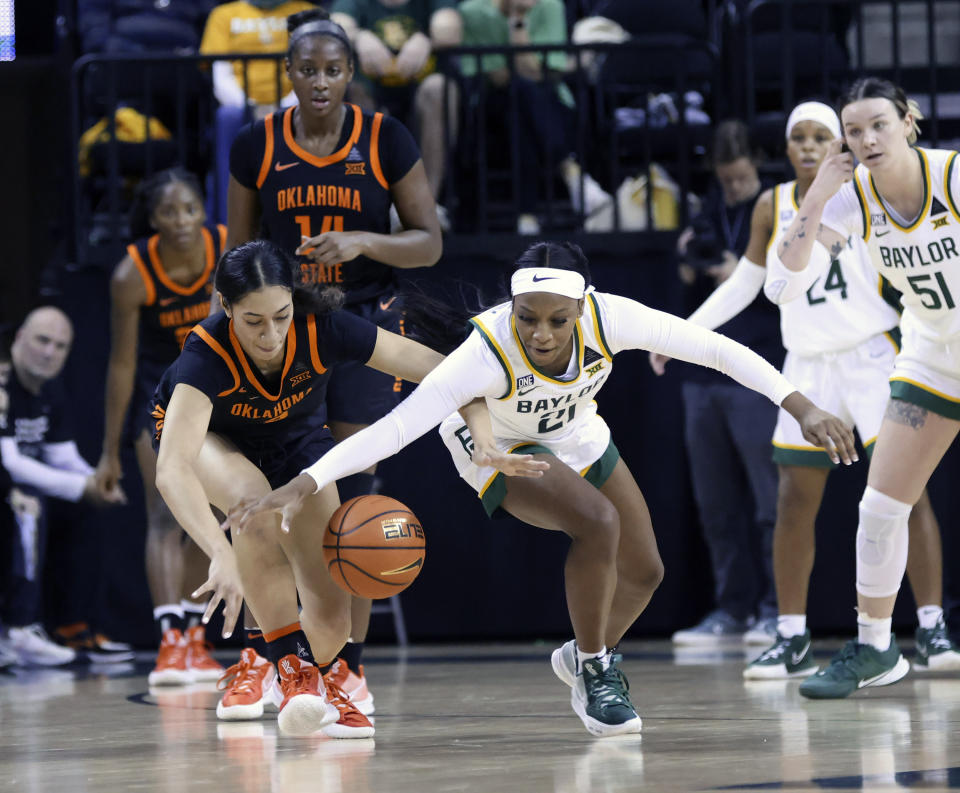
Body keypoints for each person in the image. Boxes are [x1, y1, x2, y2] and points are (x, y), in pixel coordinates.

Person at [223, 240, 857, 737]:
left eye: (558, 320)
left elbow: (718, 350)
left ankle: (583, 654)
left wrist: (799, 405)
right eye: (530, 318)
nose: (544, 333)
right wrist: (306, 482)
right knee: (598, 523)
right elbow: (394, 429)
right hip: (497, 445)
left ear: (583, 308)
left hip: (576, 430)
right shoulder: (484, 349)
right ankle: (597, 670)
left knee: (646, 571)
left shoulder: (614, 318)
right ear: (512, 310)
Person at [653, 101, 960, 680]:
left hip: (873, 356)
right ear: (787, 148)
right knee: (793, 499)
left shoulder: (868, 190)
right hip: (808, 366)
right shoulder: (774, 205)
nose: (812, 146)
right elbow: (749, 284)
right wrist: (684, 333)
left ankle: (931, 625)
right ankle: (791, 635)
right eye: (800, 137)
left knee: (906, 495)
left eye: (823, 135)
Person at [152, 238, 494, 737]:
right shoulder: (205, 355)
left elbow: (440, 373)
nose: (270, 334)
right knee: (252, 503)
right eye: (253, 321)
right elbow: (171, 469)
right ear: (225, 308)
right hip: (211, 438)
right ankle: (288, 670)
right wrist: (217, 552)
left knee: (333, 612)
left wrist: (480, 424)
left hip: (294, 439)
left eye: (280, 315)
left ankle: (306, 672)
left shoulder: (324, 327)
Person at [225, 7, 442, 720]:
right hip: (282, 335)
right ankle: (278, 656)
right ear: (288, 74)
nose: (320, 81)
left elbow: (427, 242)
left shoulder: (385, 136)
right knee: (281, 498)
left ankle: (346, 670)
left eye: (333, 69)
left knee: (348, 512)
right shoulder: (256, 144)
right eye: (307, 69)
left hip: (362, 326)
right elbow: (236, 257)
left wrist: (360, 241)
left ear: (351, 74)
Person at [765, 77, 960, 699]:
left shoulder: (952, 176)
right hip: (932, 357)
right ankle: (877, 646)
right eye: (854, 130)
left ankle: (926, 627)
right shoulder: (853, 201)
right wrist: (818, 195)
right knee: (880, 506)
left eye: (879, 123)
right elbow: (783, 285)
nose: (867, 138)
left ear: (909, 121)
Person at [93, 168, 229, 686]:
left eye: (189, 209)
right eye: (168, 212)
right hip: (160, 399)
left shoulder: (225, 248)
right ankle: (170, 642)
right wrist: (110, 450)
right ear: (152, 219)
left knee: (210, 519)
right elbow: (122, 365)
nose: (180, 221)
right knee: (166, 518)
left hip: (215, 401)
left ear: (204, 211)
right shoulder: (133, 273)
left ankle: (195, 638)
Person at [659, 120, 784, 646]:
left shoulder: (778, 209)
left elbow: (787, 288)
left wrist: (742, 272)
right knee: (715, 503)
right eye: (725, 179)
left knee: (768, 501)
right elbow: (685, 288)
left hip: (755, 368)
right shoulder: (707, 210)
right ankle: (731, 609)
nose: (733, 187)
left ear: (756, 164)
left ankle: (778, 611)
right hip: (700, 373)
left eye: (739, 178)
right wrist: (688, 267)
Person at [0, 308, 129, 666]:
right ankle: (17, 628)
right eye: (42, 340)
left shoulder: (49, 388)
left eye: (60, 346)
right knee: (28, 505)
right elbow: (9, 461)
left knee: (85, 508)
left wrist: (97, 482)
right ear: (20, 337)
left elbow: (62, 456)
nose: (49, 352)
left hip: (18, 488)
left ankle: (72, 626)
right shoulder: (3, 380)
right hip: (9, 490)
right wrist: (80, 486)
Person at [457, 0, 612, 234]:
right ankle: (571, 172)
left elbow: (545, 73)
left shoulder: (550, 6)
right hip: (493, 106)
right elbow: (503, 77)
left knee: (523, 101)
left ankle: (526, 216)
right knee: (521, 93)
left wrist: (518, 23)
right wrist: (517, 21)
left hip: (550, 102)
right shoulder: (472, 11)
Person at [330, 0, 463, 226]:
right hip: (370, 91)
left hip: (420, 90)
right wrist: (360, 36)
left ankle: (426, 205)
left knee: (439, 88)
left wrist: (426, 39)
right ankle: (374, 206)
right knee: (351, 90)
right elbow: (336, 26)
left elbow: (450, 30)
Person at [199, 0, 319, 223]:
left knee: (311, 115)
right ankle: (229, 224)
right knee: (227, 117)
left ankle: (300, 221)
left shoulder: (306, 12)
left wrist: (288, 103)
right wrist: (250, 106)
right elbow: (220, 70)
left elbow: (315, 66)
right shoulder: (223, 15)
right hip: (239, 105)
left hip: (297, 101)